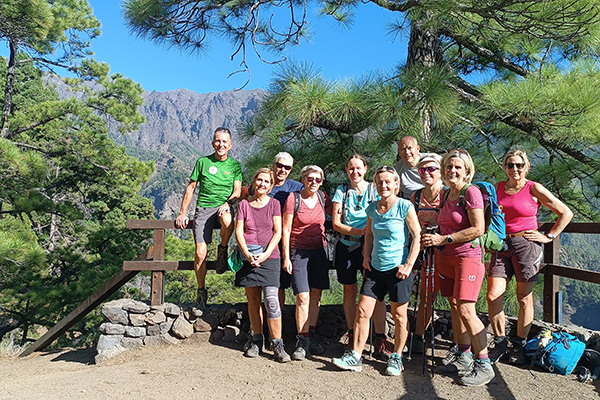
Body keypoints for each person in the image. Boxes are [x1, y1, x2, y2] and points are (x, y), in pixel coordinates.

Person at [332, 165, 421, 376]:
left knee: (399, 315)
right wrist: (366, 256)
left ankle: (397, 357)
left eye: (388, 181)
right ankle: (355, 355)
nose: (384, 185)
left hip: (398, 269)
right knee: (362, 311)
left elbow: (416, 236)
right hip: (375, 268)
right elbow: (370, 234)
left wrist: (408, 265)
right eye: (380, 182)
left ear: (396, 184)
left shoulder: (404, 206)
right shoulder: (371, 208)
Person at [487, 150, 573, 365]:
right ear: (504, 167)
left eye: (519, 164)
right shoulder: (497, 188)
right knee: (492, 295)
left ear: (526, 166)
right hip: (501, 244)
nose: (514, 169)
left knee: (523, 298)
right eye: (510, 164)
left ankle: (519, 343)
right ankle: (499, 341)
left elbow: (566, 213)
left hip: (526, 245)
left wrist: (548, 236)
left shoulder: (533, 188)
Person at [421, 149, 495, 386]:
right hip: (447, 257)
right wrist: (437, 235)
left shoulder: (470, 192)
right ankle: (463, 354)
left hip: (468, 257)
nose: (452, 171)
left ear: (467, 171)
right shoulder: (446, 195)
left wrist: (444, 240)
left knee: (466, 309)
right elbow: (447, 224)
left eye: (457, 167)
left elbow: (478, 228)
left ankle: (484, 364)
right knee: (454, 306)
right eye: (448, 167)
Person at [331, 154, 392, 358]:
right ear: (346, 170)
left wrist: (368, 234)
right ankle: (352, 334)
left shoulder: (374, 190)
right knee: (349, 291)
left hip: (371, 247)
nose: (355, 172)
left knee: (377, 294)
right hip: (347, 246)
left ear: (365, 169)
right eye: (351, 168)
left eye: (358, 168)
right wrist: (360, 232)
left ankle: (380, 338)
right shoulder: (342, 191)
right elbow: (336, 223)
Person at [175, 127, 242, 311]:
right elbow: (191, 188)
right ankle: (201, 291)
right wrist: (182, 213)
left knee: (228, 221)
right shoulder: (203, 162)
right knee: (199, 253)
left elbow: (237, 191)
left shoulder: (235, 166)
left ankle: (222, 249)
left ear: (230, 145)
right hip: (204, 208)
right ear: (213, 143)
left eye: (224, 142)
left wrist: (228, 202)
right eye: (217, 141)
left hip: (224, 207)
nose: (221, 144)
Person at [235, 168, 291, 363]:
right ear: (254, 181)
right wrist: (247, 253)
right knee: (252, 299)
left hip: (270, 257)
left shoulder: (275, 204)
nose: (262, 184)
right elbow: (239, 231)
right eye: (259, 180)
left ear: (271, 185)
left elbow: (278, 232)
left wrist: (265, 254)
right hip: (248, 257)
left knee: (272, 301)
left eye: (266, 181)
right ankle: (257, 340)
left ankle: (277, 344)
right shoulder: (244, 204)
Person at [282, 165, 332, 360]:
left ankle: (311, 334)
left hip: (319, 250)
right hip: (299, 251)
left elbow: (335, 212)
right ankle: (301, 339)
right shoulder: (293, 199)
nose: (313, 182)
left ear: (321, 182)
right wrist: (286, 257)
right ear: (303, 179)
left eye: (317, 179)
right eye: (309, 178)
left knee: (316, 294)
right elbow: (286, 230)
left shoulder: (323, 198)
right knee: (302, 296)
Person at [241, 152, 303, 307]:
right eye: (280, 165)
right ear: (274, 165)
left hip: (283, 243)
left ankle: (276, 321)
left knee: (278, 286)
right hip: (257, 243)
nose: (282, 170)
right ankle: (258, 327)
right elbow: (243, 193)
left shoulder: (296, 187)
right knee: (255, 289)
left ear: (290, 170)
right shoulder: (263, 183)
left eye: (286, 167)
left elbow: (314, 196)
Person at [409, 153, 444, 353]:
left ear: (440, 171)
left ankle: (461, 344)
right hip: (425, 251)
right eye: (423, 170)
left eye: (431, 169)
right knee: (425, 295)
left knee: (455, 298)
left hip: (446, 250)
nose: (427, 173)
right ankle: (420, 336)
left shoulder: (448, 194)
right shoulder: (416, 196)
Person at [394, 136, 425, 200]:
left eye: (410, 148)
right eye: (403, 149)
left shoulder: (434, 160)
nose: (407, 152)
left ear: (417, 149)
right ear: (399, 152)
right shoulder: (398, 169)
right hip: (410, 203)